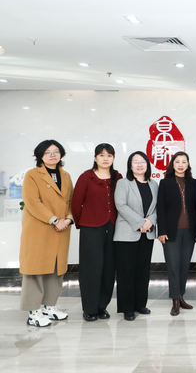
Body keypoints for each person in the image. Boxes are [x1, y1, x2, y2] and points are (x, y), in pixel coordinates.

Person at [19, 140, 73, 327]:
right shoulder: (32, 175)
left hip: (61, 229)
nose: (52, 155)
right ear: (40, 156)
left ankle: (50, 307)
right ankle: (34, 312)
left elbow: (71, 201)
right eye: (48, 152)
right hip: (40, 229)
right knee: (35, 270)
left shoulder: (65, 175)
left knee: (56, 269)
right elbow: (32, 201)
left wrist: (68, 219)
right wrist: (54, 220)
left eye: (56, 151)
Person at [72, 143, 122, 322]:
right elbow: (76, 204)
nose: (105, 158)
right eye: (102, 155)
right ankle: (89, 309)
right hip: (91, 228)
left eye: (109, 155)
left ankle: (102, 306)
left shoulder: (118, 177)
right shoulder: (86, 177)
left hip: (113, 227)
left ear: (113, 158)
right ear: (95, 158)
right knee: (91, 269)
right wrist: (82, 224)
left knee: (108, 269)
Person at [114, 151, 158, 321]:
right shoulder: (123, 183)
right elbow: (121, 205)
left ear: (148, 164)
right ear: (130, 166)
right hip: (127, 234)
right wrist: (140, 222)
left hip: (147, 234)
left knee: (143, 271)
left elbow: (157, 207)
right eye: (135, 162)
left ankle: (140, 304)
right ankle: (127, 308)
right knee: (126, 272)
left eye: (143, 162)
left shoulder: (154, 184)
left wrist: (150, 221)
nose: (139, 165)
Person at [157, 151, 196, 316]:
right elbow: (160, 208)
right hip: (171, 232)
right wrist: (161, 231)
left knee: (184, 266)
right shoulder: (165, 183)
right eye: (177, 162)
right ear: (172, 164)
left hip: (189, 231)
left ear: (188, 164)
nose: (181, 165)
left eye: (184, 162)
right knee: (173, 266)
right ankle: (175, 300)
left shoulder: (194, 183)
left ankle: (181, 296)